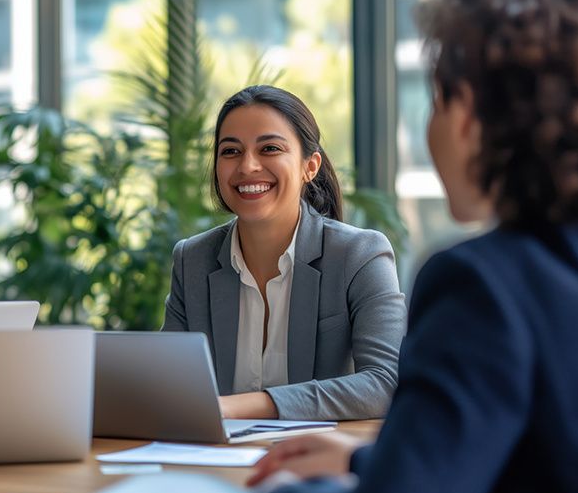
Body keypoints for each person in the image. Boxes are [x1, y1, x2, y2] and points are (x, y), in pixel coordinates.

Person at [233, 0, 578, 493]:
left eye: (436, 97)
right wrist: (372, 461)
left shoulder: (484, 286)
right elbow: (561, 471)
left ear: (465, 114)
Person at [162, 85, 406, 421]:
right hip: (216, 460)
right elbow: (166, 384)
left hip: (316, 464)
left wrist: (243, 406)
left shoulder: (360, 255)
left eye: (270, 148)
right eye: (230, 151)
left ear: (311, 166)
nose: (247, 166)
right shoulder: (192, 260)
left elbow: (386, 384)